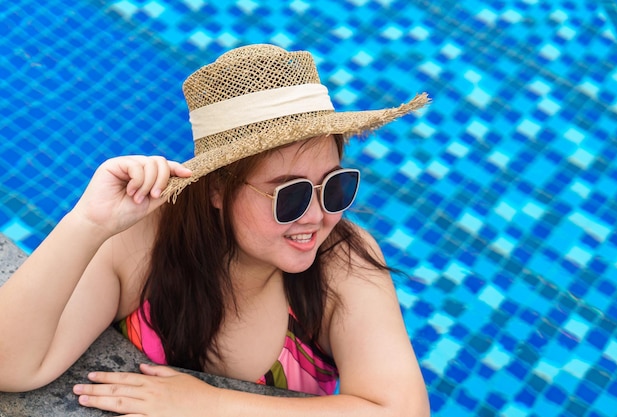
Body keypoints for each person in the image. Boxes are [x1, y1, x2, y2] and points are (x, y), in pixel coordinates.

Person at [0, 44, 430, 416]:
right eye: (291, 195)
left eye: (336, 186)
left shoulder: (342, 263)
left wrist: (211, 404)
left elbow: (402, 411)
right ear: (218, 189)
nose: (318, 215)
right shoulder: (144, 242)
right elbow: (10, 365)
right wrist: (88, 223)